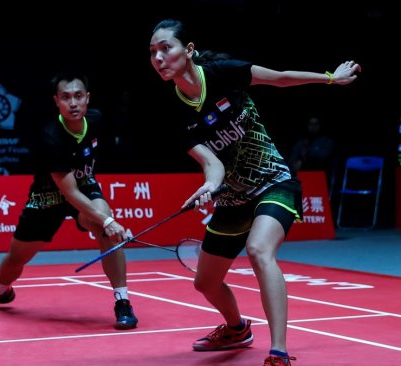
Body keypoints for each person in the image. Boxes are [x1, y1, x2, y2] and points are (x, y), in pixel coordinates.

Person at [149, 19, 360, 366]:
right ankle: (236, 329)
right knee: (205, 283)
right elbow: (211, 164)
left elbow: (279, 78)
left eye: (166, 48)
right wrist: (210, 186)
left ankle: (278, 352)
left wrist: (330, 78)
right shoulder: (172, 113)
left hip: (274, 181)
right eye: (153, 52)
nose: (159, 57)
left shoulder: (222, 73)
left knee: (260, 250)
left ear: (188, 51)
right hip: (233, 199)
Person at [0, 71, 139, 330]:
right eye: (66, 97)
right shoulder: (51, 136)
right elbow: (68, 193)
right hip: (48, 196)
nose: (73, 103)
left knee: (106, 233)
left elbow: (82, 188)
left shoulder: (97, 120)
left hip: (84, 184)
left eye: (78, 96)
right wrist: (110, 219)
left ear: (87, 98)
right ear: (56, 100)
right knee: (15, 257)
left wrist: (106, 223)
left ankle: (122, 301)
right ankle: (0, 291)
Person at [288, 116, 336, 186]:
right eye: (311, 124)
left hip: (318, 175)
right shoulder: (301, 142)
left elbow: (323, 157)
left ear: (320, 126)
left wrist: (304, 162)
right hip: (300, 175)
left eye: (315, 124)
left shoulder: (327, 142)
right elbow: (293, 156)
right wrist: (295, 164)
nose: (313, 127)